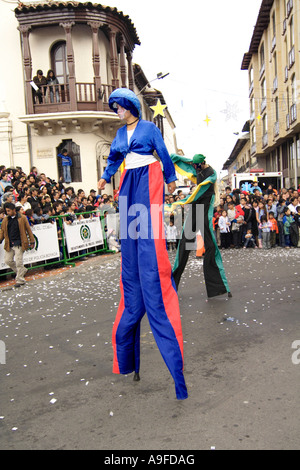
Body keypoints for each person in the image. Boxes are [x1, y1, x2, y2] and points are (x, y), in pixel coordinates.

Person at [97, 88, 188, 400]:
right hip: (127, 181)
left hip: (148, 177)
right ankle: (127, 362)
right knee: (131, 237)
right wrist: (104, 177)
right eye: (115, 109)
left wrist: (171, 178)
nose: (117, 113)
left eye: (120, 107)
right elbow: (113, 159)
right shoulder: (121, 135)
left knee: (146, 233)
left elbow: (162, 153)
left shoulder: (149, 129)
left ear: (130, 106)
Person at [170, 153, 231, 298]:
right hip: (196, 209)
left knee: (210, 246)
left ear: (203, 163)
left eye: (197, 166)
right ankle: (172, 286)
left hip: (204, 210)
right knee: (184, 245)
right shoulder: (197, 165)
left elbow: (199, 190)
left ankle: (219, 287)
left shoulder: (212, 174)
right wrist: (165, 160)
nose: (195, 169)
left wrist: (181, 201)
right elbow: (177, 157)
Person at [0, 202, 35, 287]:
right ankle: (22, 271)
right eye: (6, 211)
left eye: (9, 211)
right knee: (8, 260)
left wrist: (32, 241)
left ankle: (20, 280)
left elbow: (28, 230)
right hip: (9, 243)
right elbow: (2, 231)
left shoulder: (22, 218)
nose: (7, 213)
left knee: (19, 261)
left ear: (13, 210)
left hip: (20, 242)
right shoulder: (5, 220)